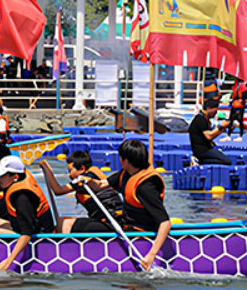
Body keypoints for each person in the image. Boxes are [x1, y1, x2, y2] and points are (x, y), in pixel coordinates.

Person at [94, 139, 171, 269]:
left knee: (81, 226)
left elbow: (165, 222)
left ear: (126, 160)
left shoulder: (145, 186)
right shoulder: (126, 174)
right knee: (83, 223)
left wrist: (151, 254)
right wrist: (86, 180)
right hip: (126, 226)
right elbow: (101, 185)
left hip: (139, 233)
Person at [0, 155, 55, 271]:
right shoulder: (13, 182)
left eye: (1, 175)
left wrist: (7, 263)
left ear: (15, 177)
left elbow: (27, 233)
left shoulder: (22, 197)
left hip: (39, 236)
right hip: (19, 226)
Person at [39, 150, 123, 233]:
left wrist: (46, 168)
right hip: (118, 220)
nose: (68, 175)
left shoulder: (83, 180)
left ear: (82, 168)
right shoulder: (96, 173)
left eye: (70, 170)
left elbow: (58, 190)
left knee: (63, 223)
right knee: (63, 220)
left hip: (110, 224)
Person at [189, 99, 232, 165]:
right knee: (227, 161)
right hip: (202, 150)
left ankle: (199, 160)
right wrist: (221, 127)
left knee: (220, 157)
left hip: (205, 149)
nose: (216, 113)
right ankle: (198, 161)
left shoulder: (205, 120)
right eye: (215, 111)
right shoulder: (200, 119)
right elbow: (209, 136)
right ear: (209, 108)